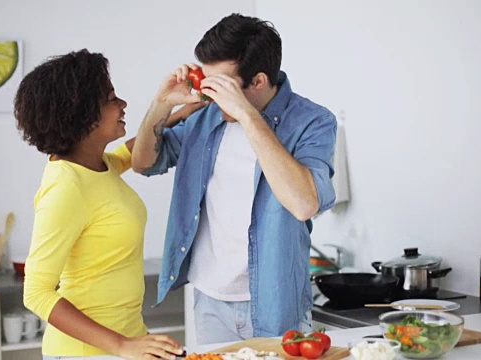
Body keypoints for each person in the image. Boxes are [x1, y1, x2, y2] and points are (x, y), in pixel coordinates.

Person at [131, 13, 337, 344]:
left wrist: (246, 114)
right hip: (208, 299)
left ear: (257, 81)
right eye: (206, 81)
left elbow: (303, 204)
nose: (210, 94)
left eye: (222, 85)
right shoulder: (204, 115)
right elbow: (143, 163)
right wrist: (161, 104)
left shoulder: (313, 121)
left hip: (277, 302)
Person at [15, 49, 190, 359]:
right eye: (111, 98)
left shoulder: (97, 165)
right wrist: (122, 345)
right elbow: (36, 293)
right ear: (82, 113)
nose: (122, 104)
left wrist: (178, 111)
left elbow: (127, 154)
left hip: (125, 341)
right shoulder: (65, 187)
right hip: (85, 353)